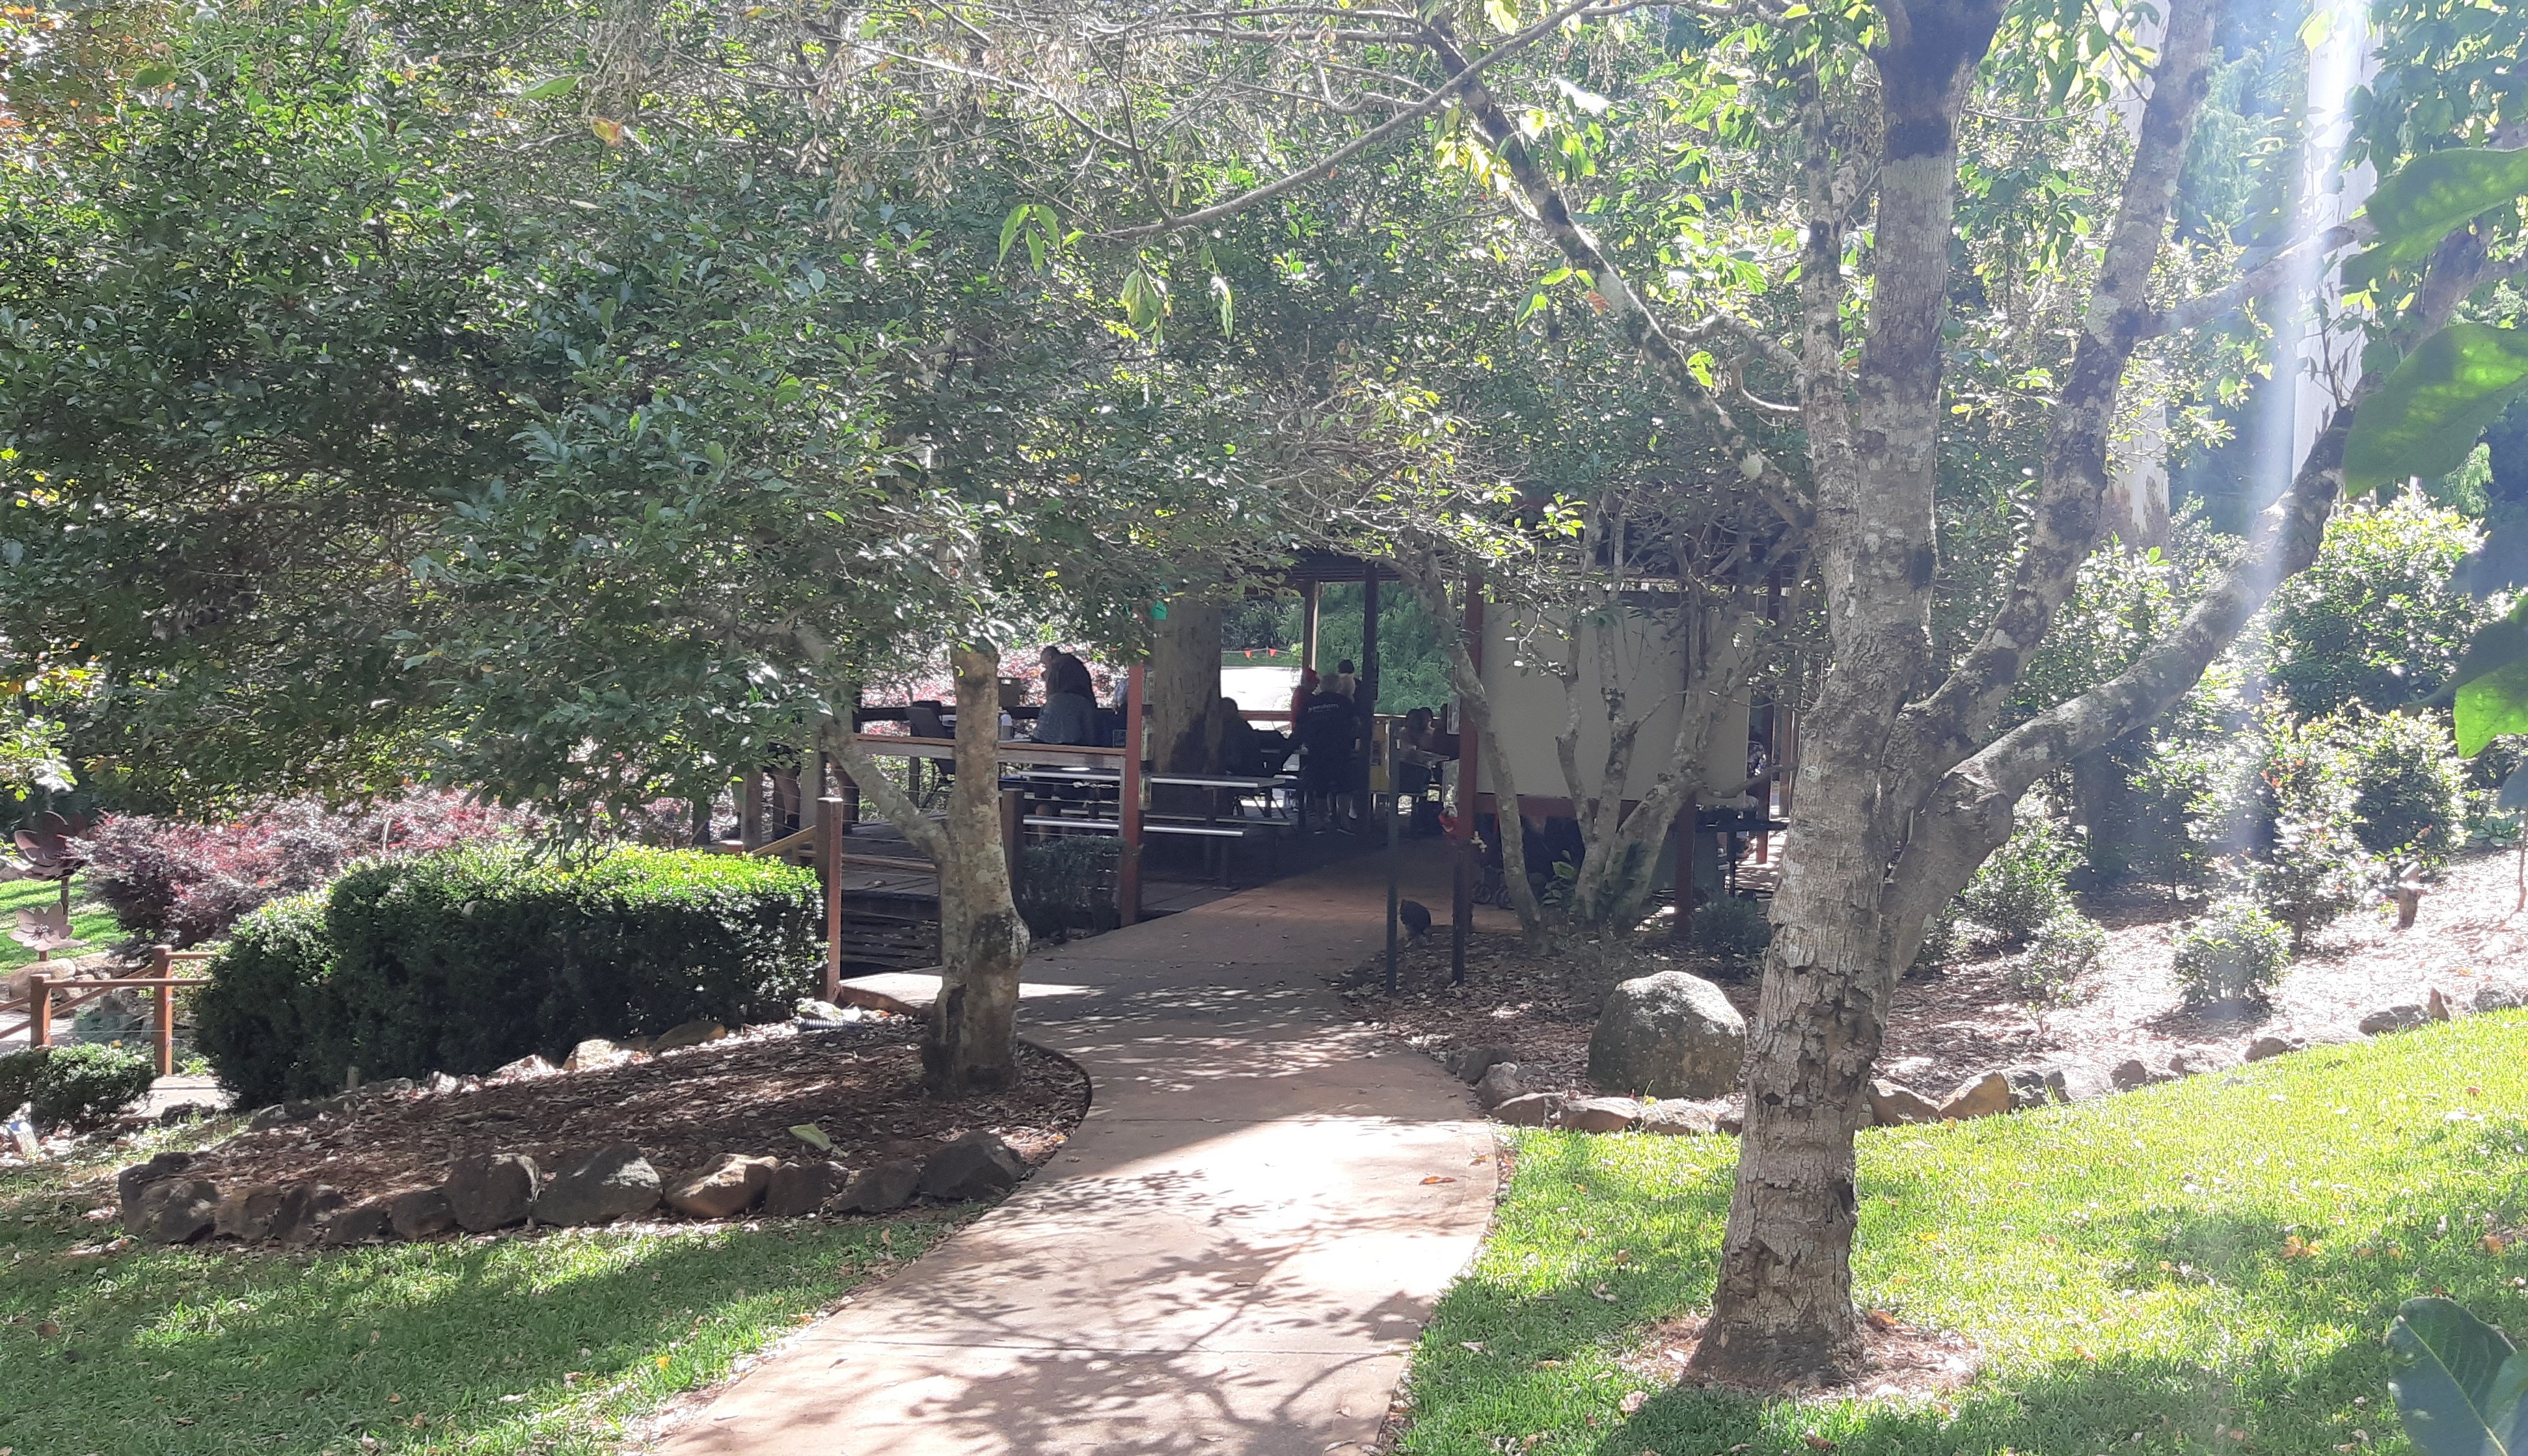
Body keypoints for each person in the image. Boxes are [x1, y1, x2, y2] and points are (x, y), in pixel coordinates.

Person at [1033, 644, 1098, 746]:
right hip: (1085, 704)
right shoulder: (1076, 663)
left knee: (1042, 740)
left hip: (1062, 704)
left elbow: (1051, 693)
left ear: (1050, 656)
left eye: (1045, 663)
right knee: (1085, 741)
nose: (1045, 667)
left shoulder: (1055, 664)